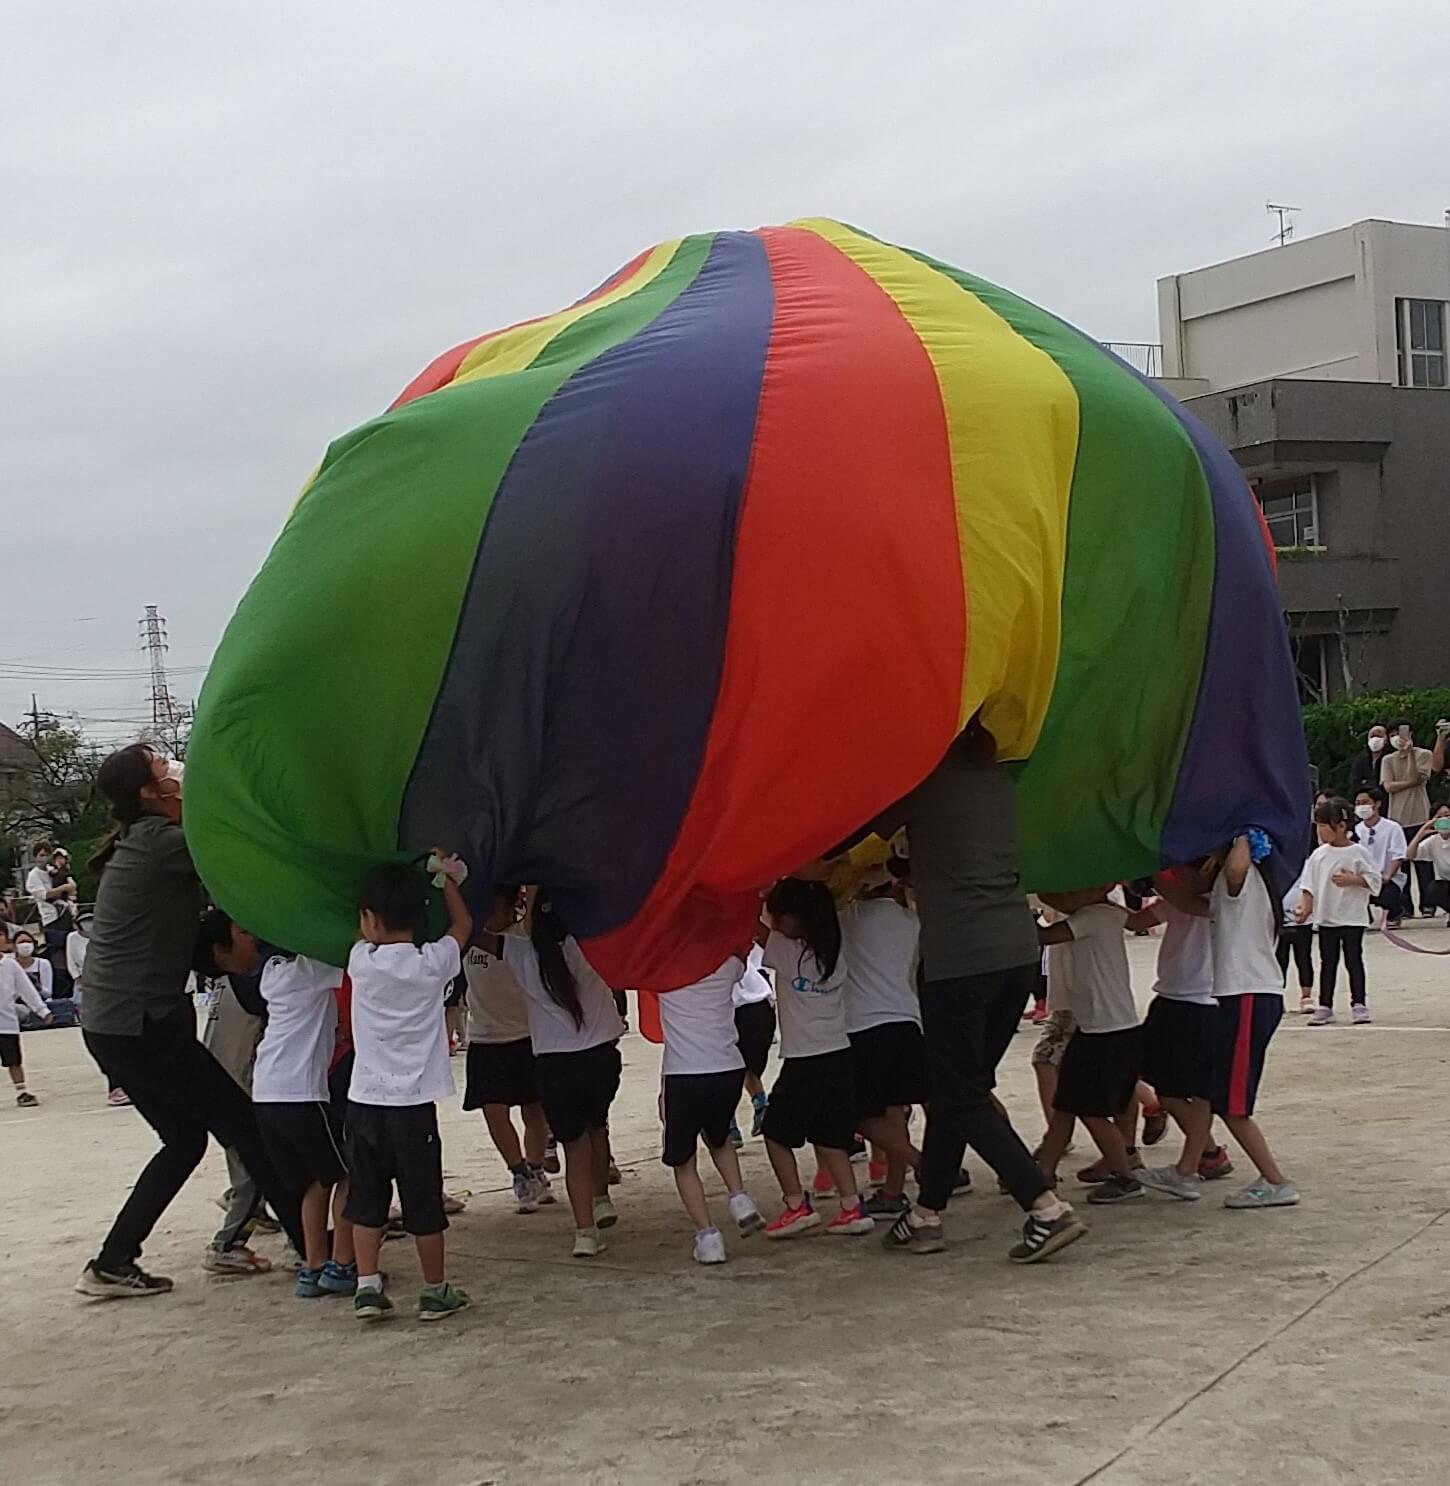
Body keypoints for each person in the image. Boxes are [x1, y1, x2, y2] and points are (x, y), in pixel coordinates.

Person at [75, 744, 305, 1300]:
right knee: (244, 1125)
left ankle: (111, 1261)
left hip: (115, 1022)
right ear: (149, 795)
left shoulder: (145, 841)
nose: (177, 772)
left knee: (183, 1140)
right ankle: (316, 1248)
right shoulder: (163, 844)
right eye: (163, 770)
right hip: (139, 1022)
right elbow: (236, 843)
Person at [868, 723, 1085, 1263]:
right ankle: (925, 1215)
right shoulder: (999, 784)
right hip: (1015, 952)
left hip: (960, 961)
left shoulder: (920, 783)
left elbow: (862, 824)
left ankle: (1044, 1207)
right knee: (955, 1090)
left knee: (960, 1094)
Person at [345, 856, 472, 1323]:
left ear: (370, 921)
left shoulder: (361, 962)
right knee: (423, 1200)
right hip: (414, 1107)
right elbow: (463, 925)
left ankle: (366, 1284)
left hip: (365, 1102)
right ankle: (435, 1290)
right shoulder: (433, 962)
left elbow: (361, 939)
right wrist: (445, 880)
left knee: (366, 1199)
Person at [487, 893, 625, 1258]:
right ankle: (601, 1199)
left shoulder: (519, 953)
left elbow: (475, 936)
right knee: (598, 1129)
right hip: (599, 1058)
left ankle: (585, 1233)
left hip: (554, 1065)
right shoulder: (590, 947)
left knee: (573, 1148)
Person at [756, 878, 873, 1239]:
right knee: (829, 1137)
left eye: (780, 916)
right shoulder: (834, 950)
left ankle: (796, 1205)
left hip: (806, 1058)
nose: (774, 922)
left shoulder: (789, 950)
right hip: (839, 1053)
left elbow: (753, 931)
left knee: (775, 1132)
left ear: (797, 919)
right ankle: (852, 1206)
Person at [249, 951, 357, 1300]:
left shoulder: (272, 971)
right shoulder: (312, 968)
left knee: (315, 1182)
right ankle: (342, 1264)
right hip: (303, 1094)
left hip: (266, 1093)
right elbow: (353, 953)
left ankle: (313, 1266)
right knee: (348, 1174)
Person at [1032, 888, 1144, 1204]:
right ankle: (1043, 1175)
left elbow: (1044, 935)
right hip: (1105, 1027)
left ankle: (1125, 1176)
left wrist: (1015, 905)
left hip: (1103, 1032)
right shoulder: (1110, 913)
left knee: (1090, 1112)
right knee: (1066, 1107)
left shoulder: (1091, 916)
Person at [656, 954, 765, 1263]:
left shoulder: (660, 969)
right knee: (719, 1137)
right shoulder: (725, 964)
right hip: (728, 1067)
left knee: (684, 1160)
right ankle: (739, 1196)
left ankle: (708, 1237)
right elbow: (743, 957)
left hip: (684, 1072)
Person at [1211, 834, 1298, 1208]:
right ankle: (1188, 1167)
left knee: (1233, 1103)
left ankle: (1276, 1180)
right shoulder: (1247, 882)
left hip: (1248, 993)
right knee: (1219, 1092)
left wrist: (1243, 828)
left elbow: (1236, 865)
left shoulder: (1243, 877)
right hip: (1245, 993)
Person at [839, 869, 927, 1222]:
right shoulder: (912, 921)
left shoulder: (848, 919)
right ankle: (892, 1191)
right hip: (908, 1022)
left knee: (859, 1114)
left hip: (865, 1026)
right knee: (895, 1111)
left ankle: (921, 1163)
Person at [461, 887, 554, 1213]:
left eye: (493, 909)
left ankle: (537, 1165)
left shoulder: (522, 939)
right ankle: (519, 1172)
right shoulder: (467, 939)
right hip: (485, 1038)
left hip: (527, 1036)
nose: (487, 916)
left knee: (535, 1111)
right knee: (493, 1109)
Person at [1132, 870, 1218, 1201]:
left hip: (1203, 1002)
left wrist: (1150, 873)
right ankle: (1208, 1152)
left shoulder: (1223, 899)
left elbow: (1188, 901)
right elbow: (1136, 922)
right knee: (1165, 1088)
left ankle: (1191, 1166)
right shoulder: (1176, 898)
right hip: (1168, 997)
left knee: (1199, 1090)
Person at [1298, 799, 1380, 1026]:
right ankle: (1325, 1005)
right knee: (1328, 961)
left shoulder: (1358, 852)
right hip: (1326, 917)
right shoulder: (1318, 855)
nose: (1320, 831)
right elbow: (1309, 885)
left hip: (1352, 916)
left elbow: (1375, 880)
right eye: (1318, 826)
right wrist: (1305, 909)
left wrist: (1353, 879)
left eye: (1324, 825)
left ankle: (1359, 1004)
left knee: (1354, 960)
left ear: (1341, 825)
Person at [1380, 722, 1434, 915]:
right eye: (1393, 734)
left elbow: (1417, 777)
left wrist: (1410, 754)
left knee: (1423, 863)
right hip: (1397, 818)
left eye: (1400, 733)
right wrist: (1410, 783)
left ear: (1410, 733)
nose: (1397, 737)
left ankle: (1428, 904)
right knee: (1401, 865)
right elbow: (1388, 787)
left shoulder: (1424, 755)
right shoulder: (1388, 759)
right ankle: (1405, 907)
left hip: (1420, 814)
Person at [729, 945, 775, 1144]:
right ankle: (760, 1105)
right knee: (747, 1066)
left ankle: (728, 1123)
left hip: (736, 1007)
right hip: (760, 1003)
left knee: (730, 1066)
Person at [1, 943, 51, 1105]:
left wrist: (42, 1010)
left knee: (14, 1060)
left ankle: (22, 1091)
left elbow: (26, 989)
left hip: (6, 1022)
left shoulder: (10, 965)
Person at [1353, 786, 1408, 929]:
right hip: (1363, 878)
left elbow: (1398, 855)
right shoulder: (1356, 829)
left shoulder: (1392, 827)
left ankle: (1394, 913)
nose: (1361, 807)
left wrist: (1386, 877)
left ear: (1377, 804)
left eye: (1365, 802)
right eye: (1358, 803)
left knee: (1388, 894)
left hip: (1386, 877)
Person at [1406, 808, 1450, 920]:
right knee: (1433, 889)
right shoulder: (1433, 840)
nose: (1444, 820)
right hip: (1446, 882)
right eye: (1439, 817)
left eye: (1447, 815)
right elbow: (1410, 855)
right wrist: (1421, 833)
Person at [11, 930, 54, 1009]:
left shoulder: (43, 964)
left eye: (28, 941)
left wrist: (39, 987)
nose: (25, 944)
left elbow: (48, 994)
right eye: (21, 942)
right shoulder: (10, 965)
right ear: (14, 947)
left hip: (41, 1004)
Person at [1348, 724, 1389, 799]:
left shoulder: (1389, 758)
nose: (1375, 739)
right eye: (1372, 736)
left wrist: (1366, 783)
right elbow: (1355, 783)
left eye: (1379, 736)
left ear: (1386, 739)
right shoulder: (1360, 759)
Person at [66, 914, 91, 1001]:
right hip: (82, 978)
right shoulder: (71, 937)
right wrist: (78, 979)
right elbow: (71, 962)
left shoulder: (102, 935)